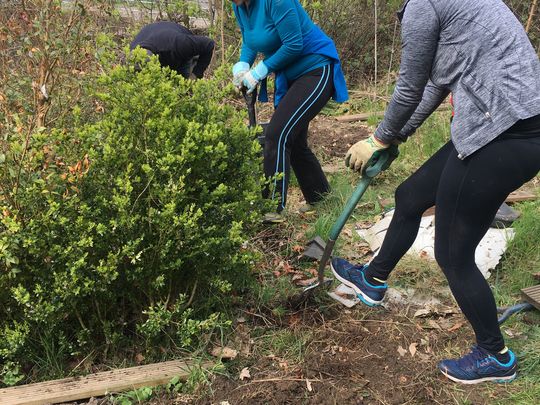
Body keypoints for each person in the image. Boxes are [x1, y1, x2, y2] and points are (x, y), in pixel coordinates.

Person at [331, 0, 540, 384]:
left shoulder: (424, 6)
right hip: (502, 125)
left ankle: (496, 355)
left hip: (504, 132)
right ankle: (373, 280)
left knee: (452, 254)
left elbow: (409, 86)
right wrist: (394, 136)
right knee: (410, 196)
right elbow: (435, 82)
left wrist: (377, 137)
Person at [230, 0, 348, 223]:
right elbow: (250, 41)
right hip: (290, 75)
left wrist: (260, 72)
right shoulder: (239, 6)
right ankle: (321, 199)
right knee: (294, 140)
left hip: (315, 68)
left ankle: (272, 208)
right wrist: (243, 65)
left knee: (277, 133)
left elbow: (294, 44)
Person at [130, 21, 215, 79]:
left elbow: (209, 44)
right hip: (157, 37)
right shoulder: (132, 53)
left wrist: (196, 74)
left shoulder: (179, 44)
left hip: (178, 50)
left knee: (185, 88)